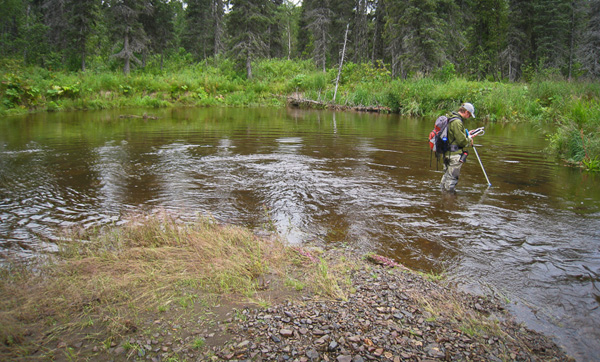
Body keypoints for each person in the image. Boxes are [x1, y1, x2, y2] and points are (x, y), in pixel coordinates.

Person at [440, 102, 475, 193]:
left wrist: (468, 134)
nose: (469, 117)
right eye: (470, 115)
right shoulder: (457, 122)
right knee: (452, 180)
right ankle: (449, 202)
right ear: (466, 112)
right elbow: (462, 141)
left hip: (446, 153)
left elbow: (453, 136)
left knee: (446, 177)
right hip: (454, 155)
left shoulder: (450, 118)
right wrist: (469, 139)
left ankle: (442, 197)